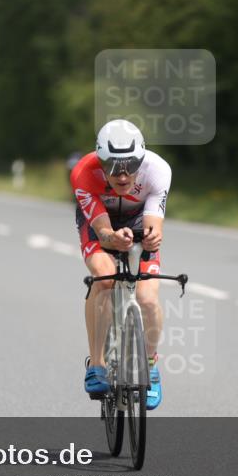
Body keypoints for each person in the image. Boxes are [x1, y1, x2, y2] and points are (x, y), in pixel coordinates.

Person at [70, 119, 171, 410]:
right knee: (104, 278)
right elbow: (103, 233)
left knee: (148, 299)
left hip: (138, 217)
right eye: (113, 166)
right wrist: (113, 238)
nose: (123, 175)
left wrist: (150, 240)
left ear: (142, 159)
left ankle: (150, 365)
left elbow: (154, 224)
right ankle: (97, 365)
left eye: (131, 165)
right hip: (101, 221)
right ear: (101, 162)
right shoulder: (84, 172)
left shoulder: (158, 170)